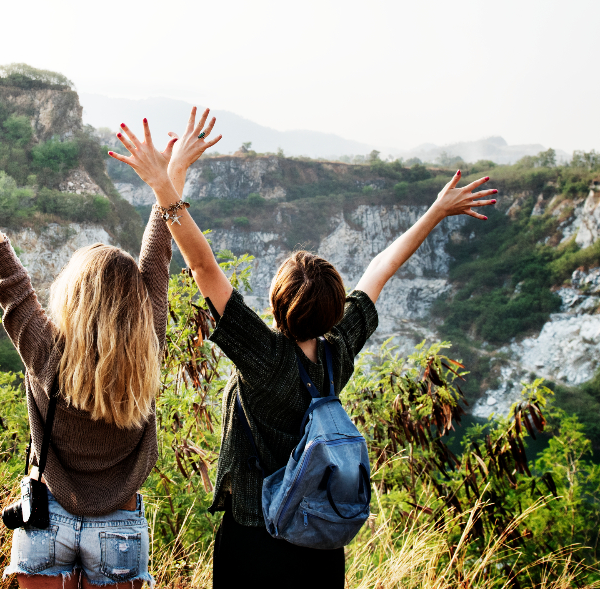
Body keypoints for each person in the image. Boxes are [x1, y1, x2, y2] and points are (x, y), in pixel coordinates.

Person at [109, 110, 498, 588]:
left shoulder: (265, 357)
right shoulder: (339, 353)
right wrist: (435, 212)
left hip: (255, 536)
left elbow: (203, 266)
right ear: (335, 310)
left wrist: (162, 185)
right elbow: (381, 270)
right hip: (319, 540)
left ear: (277, 301)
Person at [0, 116, 221, 589]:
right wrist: (168, 179)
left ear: (72, 296)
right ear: (137, 304)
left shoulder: (43, 350)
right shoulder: (149, 339)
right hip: (119, 524)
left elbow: (5, 271)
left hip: (45, 520)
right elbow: (158, 254)